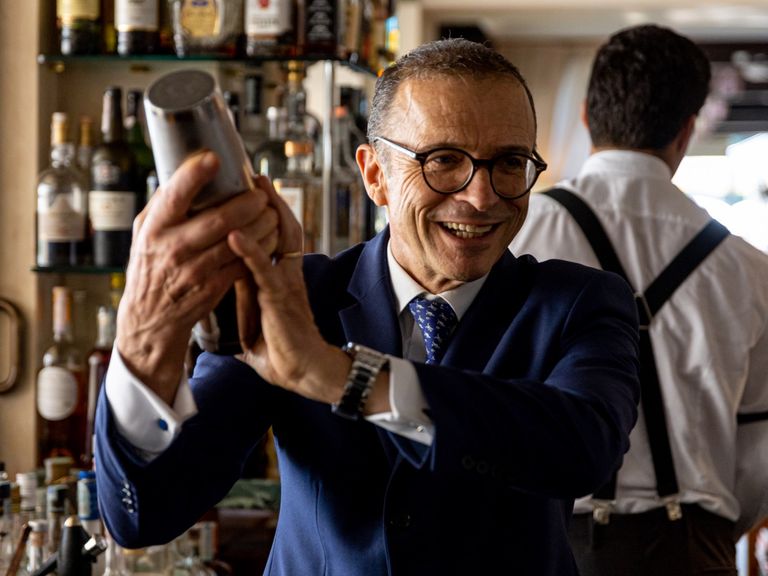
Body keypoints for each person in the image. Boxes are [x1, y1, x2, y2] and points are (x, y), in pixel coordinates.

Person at [94, 38, 641, 575]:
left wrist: (340, 376)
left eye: (509, 162)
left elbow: (583, 450)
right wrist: (145, 339)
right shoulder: (298, 296)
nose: (481, 196)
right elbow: (145, 513)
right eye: (443, 160)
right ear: (375, 173)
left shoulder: (579, 303)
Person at [510, 24, 768, 576]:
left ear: (586, 115)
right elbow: (757, 454)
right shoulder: (751, 270)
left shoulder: (516, 235)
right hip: (696, 550)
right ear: (687, 130)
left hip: (546, 543)